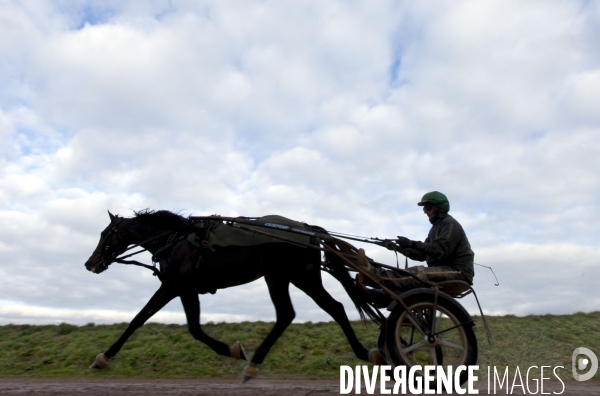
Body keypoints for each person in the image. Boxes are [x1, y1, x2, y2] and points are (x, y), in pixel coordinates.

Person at [358, 191, 475, 306]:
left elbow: (440, 250)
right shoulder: (435, 228)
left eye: (428, 207)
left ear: (440, 207)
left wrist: (410, 243)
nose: (425, 211)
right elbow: (420, 255)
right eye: (424, 208)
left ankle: (372, 275)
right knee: (409, 281)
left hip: (458, 272)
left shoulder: (450, 224)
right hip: (445, 269)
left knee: (416, 274)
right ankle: (378, 295)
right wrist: (397, 247)